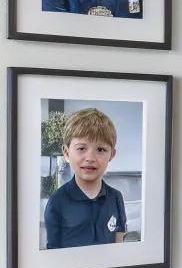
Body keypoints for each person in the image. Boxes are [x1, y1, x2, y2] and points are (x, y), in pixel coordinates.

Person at [44, 107, 127, 249]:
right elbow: (53, 252)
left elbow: (119, 240)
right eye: (81, 148)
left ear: (111, 155)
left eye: (100, 150)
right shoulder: (56, 202)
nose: (90, 158)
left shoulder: (116, 197)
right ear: (66, 153)